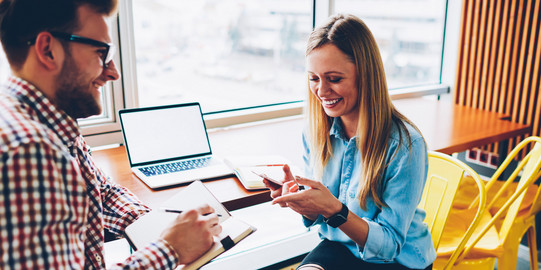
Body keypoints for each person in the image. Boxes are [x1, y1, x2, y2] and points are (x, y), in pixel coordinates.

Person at [0, 0, 221, 269]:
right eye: (101, 52)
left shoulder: (46, 121)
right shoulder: (29, 152)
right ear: (48, 51)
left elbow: (100, 192)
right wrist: (171, 248)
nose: (113, 72)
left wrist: (159, 225)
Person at [264, 14, 436, 270]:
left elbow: (389, 246)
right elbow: (321, 215)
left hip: (398, 260)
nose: (321, 92)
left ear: (365, 76)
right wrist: (304, 203)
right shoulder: (315, 132)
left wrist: (334, 210)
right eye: (314, 78)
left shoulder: (406, 146)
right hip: (341, 246)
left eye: (334, 79)